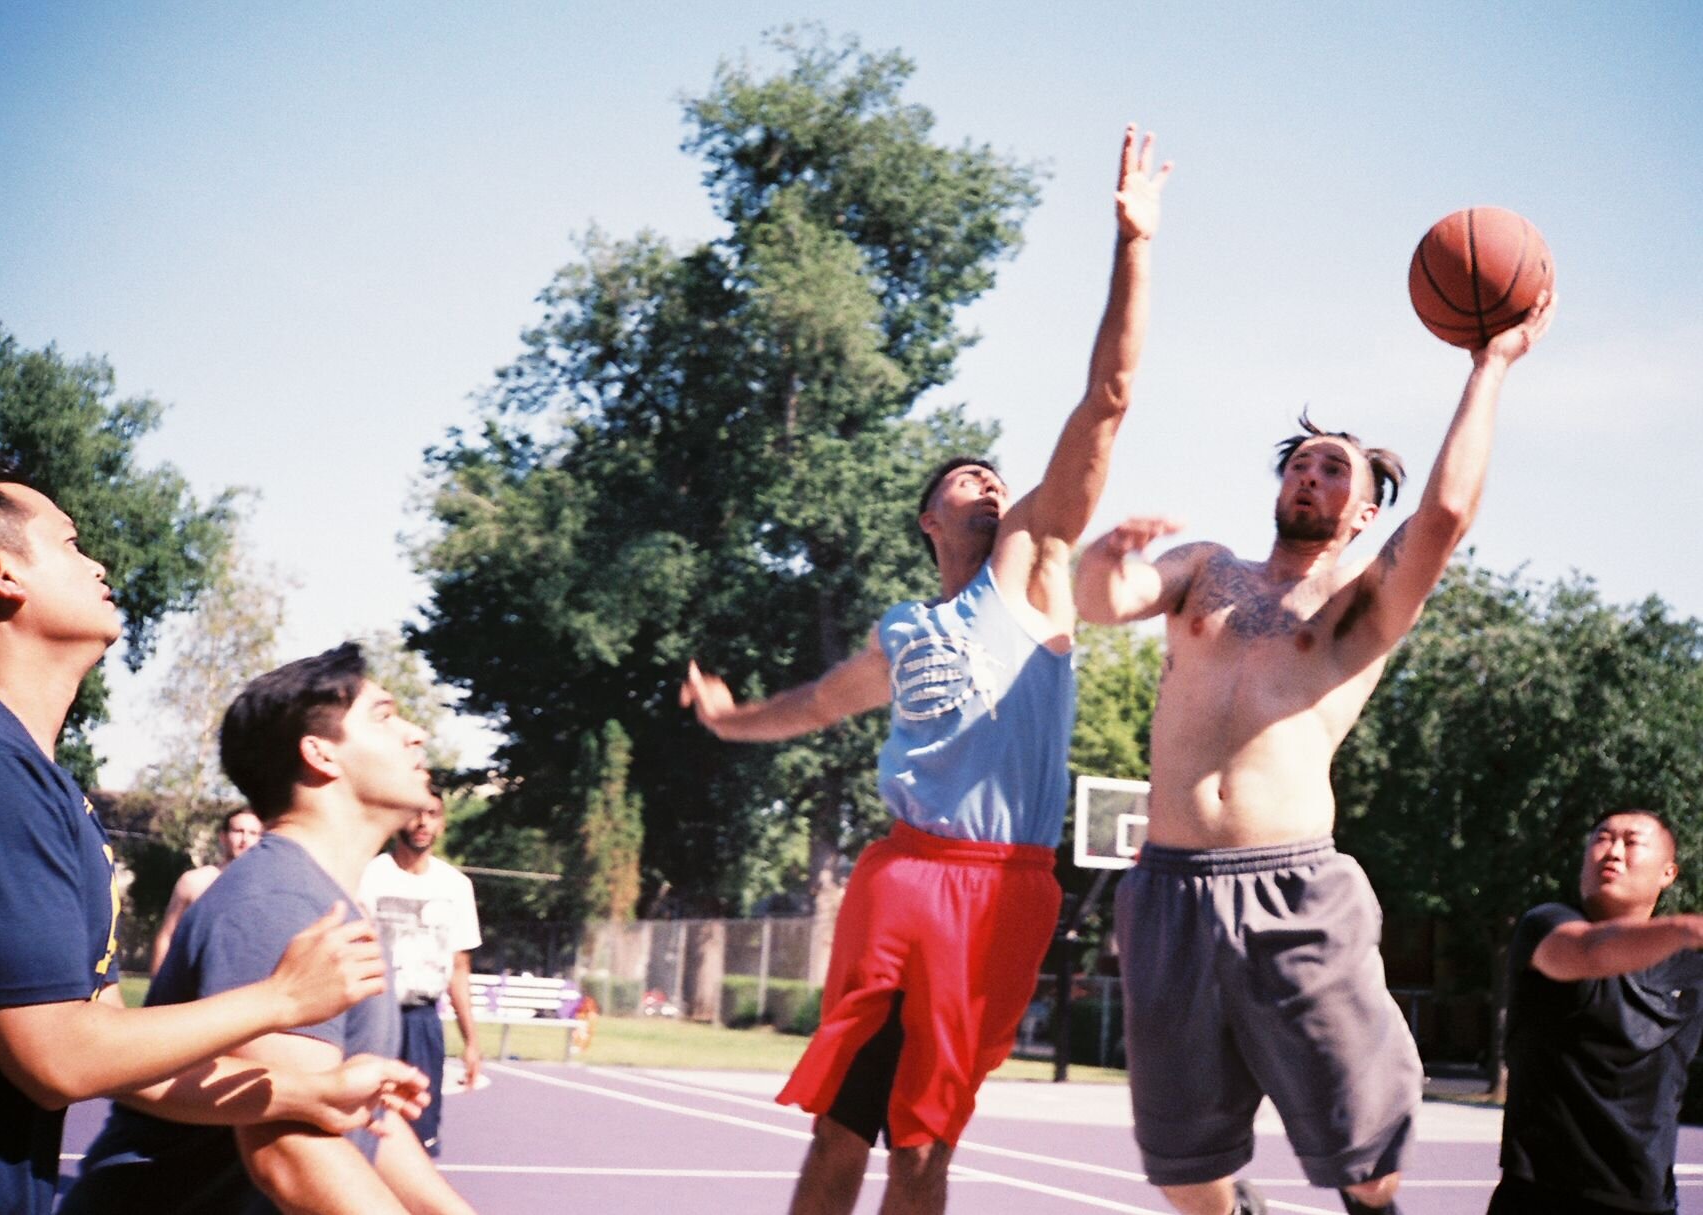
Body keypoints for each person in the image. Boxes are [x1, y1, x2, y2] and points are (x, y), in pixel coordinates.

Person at [681, 124, 1171, 1215]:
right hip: (901, 875)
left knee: (924, 1144)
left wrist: (1132, 243)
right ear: (926, 516)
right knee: (838, 1132)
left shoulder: (1037, 571)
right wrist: (727, 720)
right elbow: (814, 706)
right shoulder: (905, 631)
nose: (987, 479)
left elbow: (1109, 397)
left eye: (997, 472)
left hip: (1001, 887)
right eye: (964, 475)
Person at [1075, 289, 1557, 1215]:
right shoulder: (1206, 567)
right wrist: (1107, 554)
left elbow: (1449, 513)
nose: (1310, 477)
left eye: (1335, 470)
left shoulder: (1359, 606)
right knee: (1182, 1166)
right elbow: (1103, 598)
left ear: (1368, 509)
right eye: (1300, 464)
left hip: (1290, 889)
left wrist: (1489, 367)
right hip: (1167, 886)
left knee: (1364, 1157)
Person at [0, 464, 429, 1215]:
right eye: (71, 542)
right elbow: (57, 1056)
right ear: (0, 569)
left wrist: (307, 1088)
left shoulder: (36, 777)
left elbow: (112, 1044)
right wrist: (280, 997)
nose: (98, 564)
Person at [65, 643, 477, 1214]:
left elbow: (359, 1118)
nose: (415, 734)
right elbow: (291, 1156)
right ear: (320, 755)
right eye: (383, 716)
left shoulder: (329, 899)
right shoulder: (278, 902)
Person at [1488, 810, 1703, 1215]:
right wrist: (1690, 929)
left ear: (1668, 872)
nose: (1613, 852)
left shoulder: (1692, 966)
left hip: (1646, 1202)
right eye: (1602, 838)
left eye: (1632, 842)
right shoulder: (1547, 926)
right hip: (1540, 1197)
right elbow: (1588, 952)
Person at [358, 795, 485, 1157]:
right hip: (371, 1018)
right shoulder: (367, 876)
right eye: (414, 814)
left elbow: (459, 969)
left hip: (422, 1022)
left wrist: (471, 1041)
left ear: (442, 823)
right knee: (365, 1127)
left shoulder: (455, 886)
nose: (422, 823)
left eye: (432, 815)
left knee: (420, 1130)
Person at [151, 808, 265, 975]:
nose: (245, 839)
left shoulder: (268, 888)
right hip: (193, 983)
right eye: (238, 831)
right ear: (223, 837)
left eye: (253, 833)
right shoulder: (194, 881)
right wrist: (156, 988)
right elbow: (167, 936)